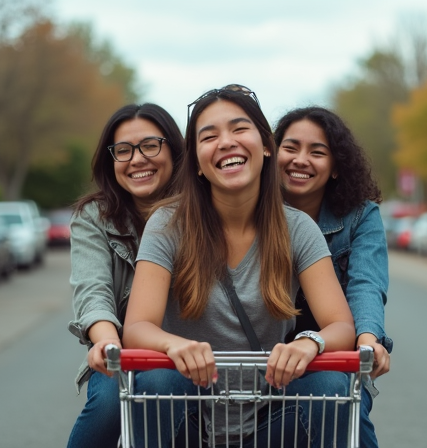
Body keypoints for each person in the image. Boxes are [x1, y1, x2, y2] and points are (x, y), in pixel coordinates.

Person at [122, 85, 356, 447]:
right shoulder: (168, 225)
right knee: (155, 381)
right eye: (209, 136)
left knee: (330, 385)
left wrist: (310, 343)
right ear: (198, 163)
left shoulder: (297, 228)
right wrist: (173, 346)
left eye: (239, 128)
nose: (226, 142)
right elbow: (137, 326)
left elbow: (340, 325)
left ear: (265, 145)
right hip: (188, 417)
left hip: (270, 421)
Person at [66, 103, 184, 448]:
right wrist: (107, 341)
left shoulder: (203, 210)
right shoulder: (94, 216)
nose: (137, 160)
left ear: (174, 151)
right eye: (123, 151)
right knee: (108, 402)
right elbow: (92, 290)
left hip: (197, 348)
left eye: (150, 145)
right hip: (128, 351)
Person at [274, 106, 392, 448]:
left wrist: (368, 339)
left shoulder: (361, 216)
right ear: (272, 152)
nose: (300, 159)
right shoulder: (250, 209)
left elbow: (366, 284)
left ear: (336, 167)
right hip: (263, 358)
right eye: (291, 147)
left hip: (333, 355)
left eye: (317, 152)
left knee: (341, 406)